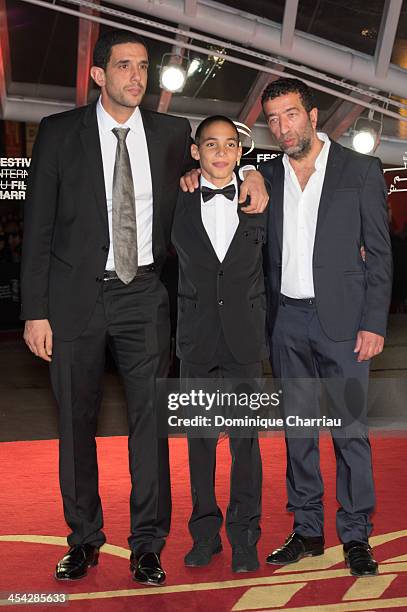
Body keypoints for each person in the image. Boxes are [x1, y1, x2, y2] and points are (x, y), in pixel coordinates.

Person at [20, 29, 268, 586]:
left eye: (144, 67)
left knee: (150, 425)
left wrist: (253, 170)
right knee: (75, 423)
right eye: (125, 66)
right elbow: (36, 227)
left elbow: (219, 160)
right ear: (99, 76)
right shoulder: (59, 134)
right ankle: (83, 538)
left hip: (145, 297)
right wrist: (35, 310)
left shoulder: (169, 131)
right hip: (73, 300)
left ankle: (147, 543)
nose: (137, 76)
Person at [258, 78, 392, 577]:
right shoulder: (267, 174)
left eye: (290, 114)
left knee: (348, 431)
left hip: (343, 323)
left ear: (313, 116)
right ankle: (308, 529)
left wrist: (374, 321)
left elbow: (379, 253)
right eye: (273, 118)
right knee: (298, 431)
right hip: (286, 320)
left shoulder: (359, 170)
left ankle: (355, 534)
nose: (282, 127)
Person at [172, 116, 268, 573]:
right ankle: (205, 535)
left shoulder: (260, 197)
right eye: (211, 144)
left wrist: (257, 175)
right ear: (196, 152)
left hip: (245, 340)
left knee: (246, 444)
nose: (221, 152)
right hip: (197, 340)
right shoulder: (180, 196)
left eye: (230, 145)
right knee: (200, 443)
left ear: (239, 152)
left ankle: (245, 537)